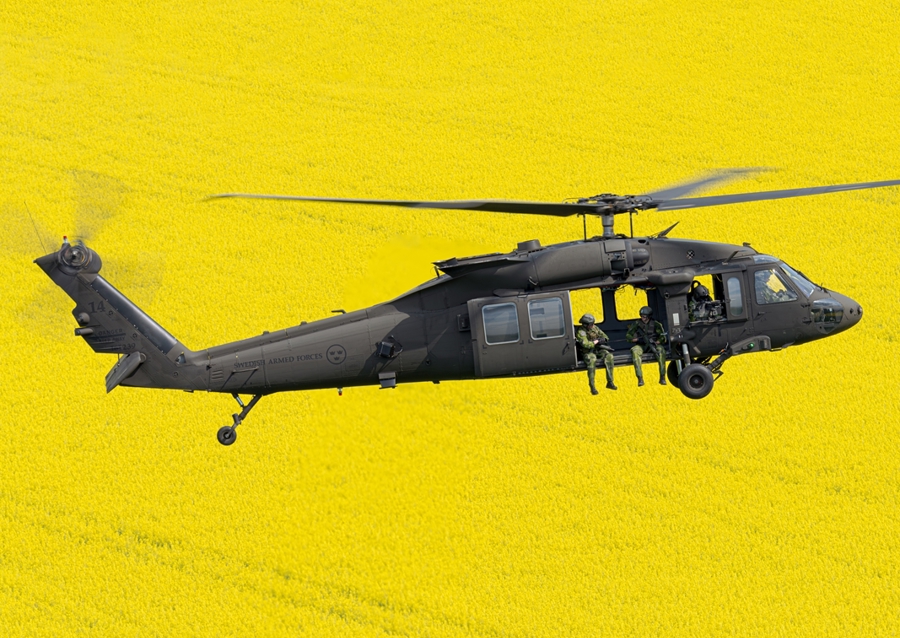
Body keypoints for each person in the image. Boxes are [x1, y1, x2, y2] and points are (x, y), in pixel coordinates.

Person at [575, 313, 616, 395]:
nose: (593, 325)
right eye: (591, 324)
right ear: (585, 324)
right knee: (592, 360)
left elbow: (605, 337)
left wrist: (602, 340)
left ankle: (610, 382)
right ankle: (592, 386)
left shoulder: (595, 328)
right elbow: (586, 344)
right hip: (588, 352)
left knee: (609, 356)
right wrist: (595, 342)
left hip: (598, 350)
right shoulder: (581, 332)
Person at [626, 306, 667, 386]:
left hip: (653, 345)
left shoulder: (656, 324)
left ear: (649, 316)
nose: (642, 318)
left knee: (661, 351)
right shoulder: (637, 324)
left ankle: (662, 377)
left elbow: (662, 336)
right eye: (641, 316)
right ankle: (640, 378)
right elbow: (628, 336)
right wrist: (637, 340)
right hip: (641, 345)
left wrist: (658, 342)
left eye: (644, 316)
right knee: (635, 351)